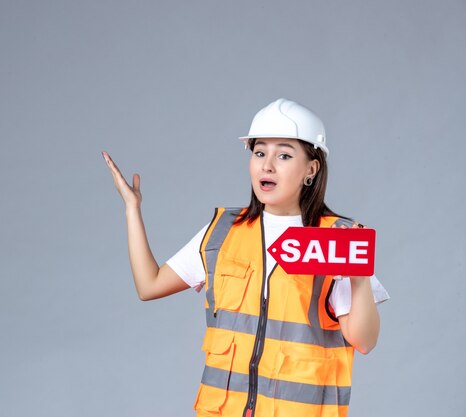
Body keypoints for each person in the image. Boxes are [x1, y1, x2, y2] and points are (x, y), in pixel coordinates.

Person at [102, 98, 389, 417]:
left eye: (283, 154)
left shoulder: (337, 238)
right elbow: (149, 285)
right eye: (259, 152)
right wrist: (132, 209)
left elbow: (364, 341)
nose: (267, 165)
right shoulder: (223, 233)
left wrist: (358, 277)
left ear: (311, 168)